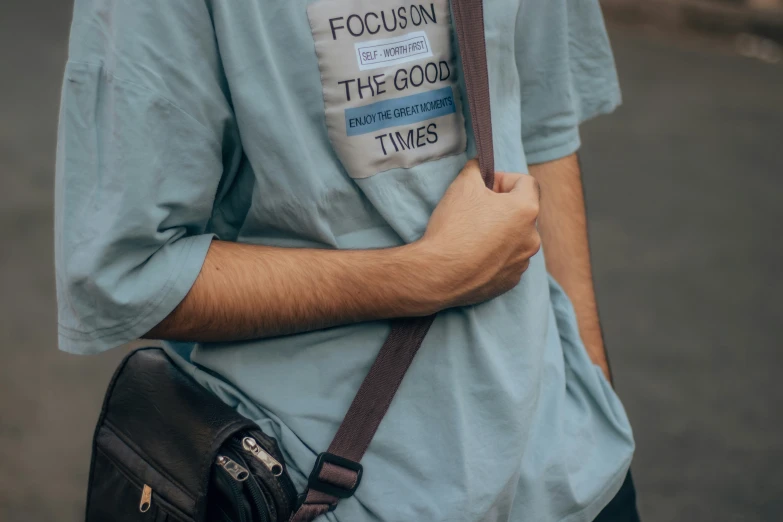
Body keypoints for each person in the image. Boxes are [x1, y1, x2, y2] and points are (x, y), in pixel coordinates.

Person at [55, 0, 638, 520]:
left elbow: (544, 131)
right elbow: (129, 279)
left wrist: (591, 391)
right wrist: (422, 276)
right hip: (326, 488)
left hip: (571, 473)